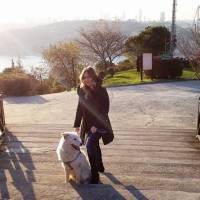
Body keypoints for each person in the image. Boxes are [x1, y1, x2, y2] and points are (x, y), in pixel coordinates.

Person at [73, 66, 114, 184]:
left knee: (90, 144)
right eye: (84, 77)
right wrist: (77, 124)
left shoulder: (102, 91)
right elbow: (80, 108)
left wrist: (96, 125)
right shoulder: (82, 91)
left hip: (100, 124)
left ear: (93, 76)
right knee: (94, 144)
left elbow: (104, 111)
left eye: (88, 77)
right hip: (87, 124)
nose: (86, 79)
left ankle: (95, 175)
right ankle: (100, 165)